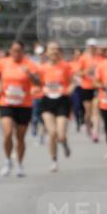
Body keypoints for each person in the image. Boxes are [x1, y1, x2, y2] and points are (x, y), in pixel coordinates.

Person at [0, 40, 40, 177]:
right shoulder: (3, 62)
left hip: (24, 104)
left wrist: (30, 75)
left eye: (19, 51)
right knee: (8, 133)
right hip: (6, 102)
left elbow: (38, 82)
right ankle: (8, 160)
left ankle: (20, 164)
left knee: (20, 137)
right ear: (10, 51)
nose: (16, 53)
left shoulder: (30, 64)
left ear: (23, 51)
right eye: (14, 50)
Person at [38, 41, 74, 172]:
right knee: (52, 132)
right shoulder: (41, 68)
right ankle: (54, 160)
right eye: (51, 49)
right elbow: (38, 83)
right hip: (47, 100)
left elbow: (73, 81)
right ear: (47, 52)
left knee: (61, 135)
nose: (53, 52)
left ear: (60, 52)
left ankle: (64, 143)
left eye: (56, 49)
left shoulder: (66, 66)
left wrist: (70, 88)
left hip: (62, 101)